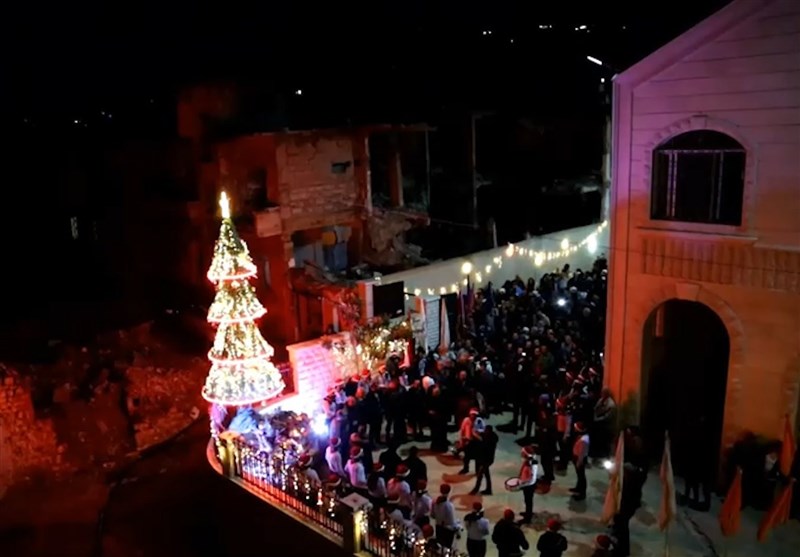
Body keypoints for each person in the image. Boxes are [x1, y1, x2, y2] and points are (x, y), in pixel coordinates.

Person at [470, 424, 499, 495]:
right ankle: (489, 489)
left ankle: (476, 489)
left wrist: (476, 435)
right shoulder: (489, 436)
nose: (484, 431)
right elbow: (481, 435)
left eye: (486, 430)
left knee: (480, 474)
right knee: (487, 474)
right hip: (484, 459)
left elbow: (482, 440)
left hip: (487, 460)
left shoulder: (491, 440)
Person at [518, 445, 543, 524]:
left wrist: (523, 483)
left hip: (529, 486)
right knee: (527, 500)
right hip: (526, 484)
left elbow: (532, 479)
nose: (521, 453)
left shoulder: (532, 464)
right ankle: (527, 512)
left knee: (529, 501)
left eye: (522, 452)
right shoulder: (527, 460)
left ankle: (528, 518)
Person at [459, 408, 486, 474]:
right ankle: (466, 469)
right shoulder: (466, 420)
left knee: (478, 457)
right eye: (472, 414)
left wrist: (475, 432)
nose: (473, 416)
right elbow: (462, 431)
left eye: (475, 415)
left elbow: (481, 433)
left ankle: (477, 471)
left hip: (476, 442)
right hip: (467, 441)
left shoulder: (479, 421)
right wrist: (461, 441)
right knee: (466, 457)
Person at [432, 483, 459, 549]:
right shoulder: (449, 505)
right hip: (447, 530)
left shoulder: (435, 502)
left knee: (440, 546)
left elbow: (432, 515)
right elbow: (451, 521)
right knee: (447, 548)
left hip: (438, 526)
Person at [571, 421, 590, 501]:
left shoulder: (584, 440)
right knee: (579, 475)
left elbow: (582, 453)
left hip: (580, 459)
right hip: (577, 458)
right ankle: (578, 488)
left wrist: (579, 461)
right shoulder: (581, 437)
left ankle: (582, 494)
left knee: (581, 476)